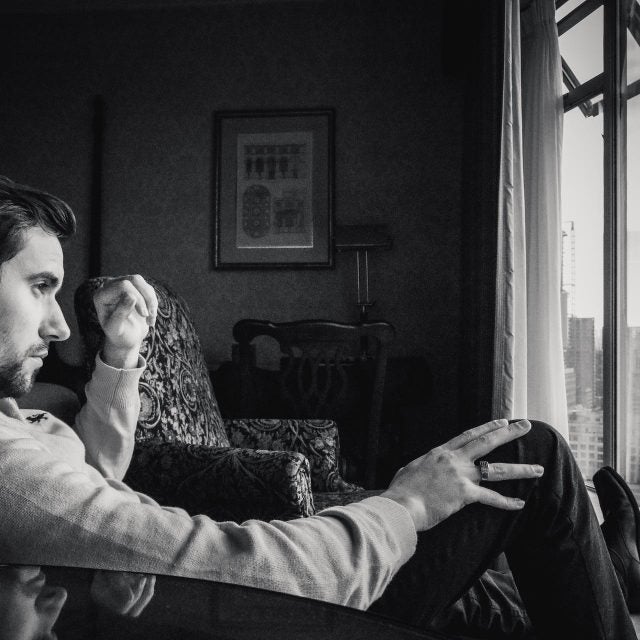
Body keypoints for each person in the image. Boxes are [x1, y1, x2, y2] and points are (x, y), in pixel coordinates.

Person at [0, 175, 636, 640]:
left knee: (486, 588)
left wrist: (119, 353)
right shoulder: (10, 468)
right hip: (270, 611)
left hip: (231, 598)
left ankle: (604, 570)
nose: (61, 326)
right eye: (39, 287)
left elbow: (96, 471)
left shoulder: (24, 422)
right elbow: (241, 571)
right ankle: (603, 570)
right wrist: (406, 505)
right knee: (532, 453)